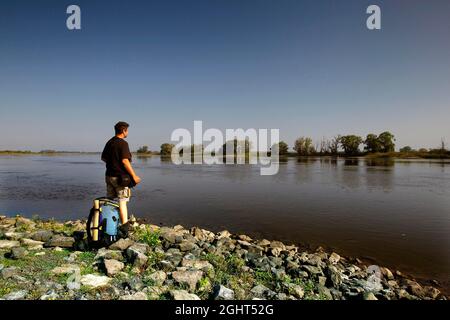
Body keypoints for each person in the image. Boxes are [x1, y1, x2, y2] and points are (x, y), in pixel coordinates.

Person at [101, 121, 141, 236]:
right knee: (122, 202)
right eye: (127, 130)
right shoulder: (123, 143)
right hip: (120, 179)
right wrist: (134, 176)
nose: (127, 132)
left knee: (110, 201)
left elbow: (103, 158)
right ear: (124, 131)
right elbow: (125, 161)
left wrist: (113, 164)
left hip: (109, 176)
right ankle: (124, 229)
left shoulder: (109, 142)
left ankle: (109, 227)